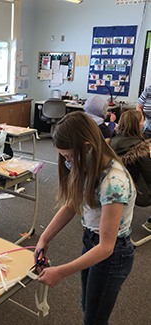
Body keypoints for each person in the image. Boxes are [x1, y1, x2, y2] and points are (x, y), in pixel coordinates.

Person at [33, 111, 135, 325]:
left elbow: (107, 247)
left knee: (95, 318)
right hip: (91, 241)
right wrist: (44, 239)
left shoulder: (114, 182)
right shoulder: (89, 165)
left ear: (87, 147)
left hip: (113, 253)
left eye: (69, 157)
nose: (68, 163)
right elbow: (72, 205)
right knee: (88, 305)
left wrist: (61, 272)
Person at [110, 109, 151, 232]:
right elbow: (150, 175)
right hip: (141, 193)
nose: (145, 124)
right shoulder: (141, 150)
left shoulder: (113, 142)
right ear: (136, 125)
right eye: (143, 121)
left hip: (116, 188)